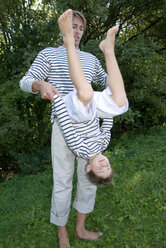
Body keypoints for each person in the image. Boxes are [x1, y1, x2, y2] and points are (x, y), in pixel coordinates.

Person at [19, 8, 118, 248]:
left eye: (81, 28)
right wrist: (39, 83)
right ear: (63, 28)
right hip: (63, 127)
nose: (77, 31)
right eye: (73, 26)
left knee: (87, 181)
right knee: (62, 180)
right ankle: (62, 231)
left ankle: (80, 228)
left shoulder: (90, 60)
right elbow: (25, 81)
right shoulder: (49, 54)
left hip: (91, 125)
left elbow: (108, 83)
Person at [53, 9, 128, 186]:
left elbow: (67, 128)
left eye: (100, 169)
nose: (104, 164)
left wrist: (58, 102)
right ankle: (108, 50)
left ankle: (68, 40)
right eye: (108, 166)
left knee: (86, 93)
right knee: (120, 104)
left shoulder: (81, 150)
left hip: (72, 113)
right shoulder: (104, 143)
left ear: (89, 168)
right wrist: (112, 98)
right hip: (91, 109)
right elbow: (108, 120)